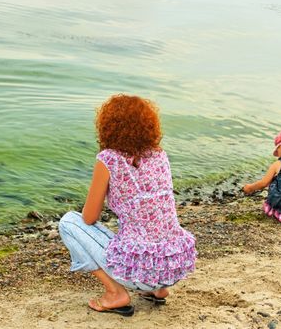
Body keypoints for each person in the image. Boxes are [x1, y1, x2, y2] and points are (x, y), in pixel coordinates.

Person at [58, 94, 197, 316]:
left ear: (109, 126)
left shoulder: (108, 159)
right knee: (152, 226)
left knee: (68, 222)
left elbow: (89, 218)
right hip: (172, 270)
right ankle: (159, 291)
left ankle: (115, 293)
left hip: (138, 273)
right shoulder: (160, 156)